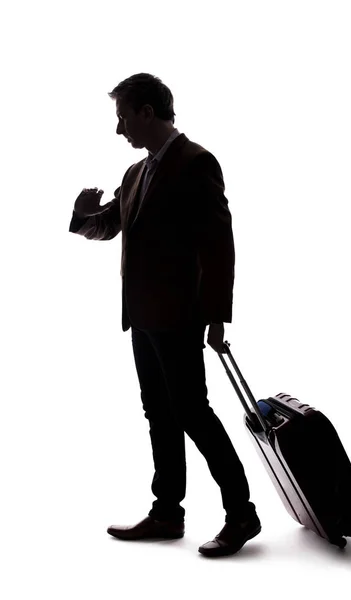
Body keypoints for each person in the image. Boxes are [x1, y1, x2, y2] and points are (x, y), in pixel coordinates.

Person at [69, 73, 261, 557]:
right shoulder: (137, 173)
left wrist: (218, 318)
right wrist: (81, 217)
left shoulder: (196, 163)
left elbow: (219, 246)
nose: (119, 130)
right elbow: (110, 226)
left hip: (179, 317)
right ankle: (167, 514)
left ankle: (242, 513)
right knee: (159, 414)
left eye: (123, 118)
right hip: (142, 316)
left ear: (147, 112)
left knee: (193, 413)